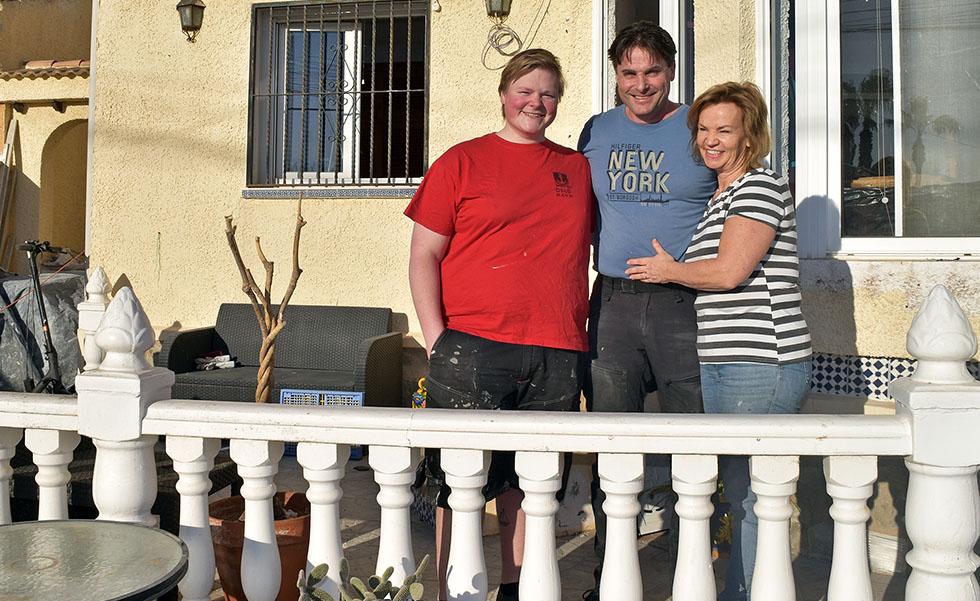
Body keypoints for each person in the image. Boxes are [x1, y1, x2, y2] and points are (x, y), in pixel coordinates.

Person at [405, 48, 593, 601]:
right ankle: (452, 592)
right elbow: (423, 256)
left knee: (530, 484)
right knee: (456, 484)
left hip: (556, 349)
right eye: (525, 91)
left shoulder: (576, 168)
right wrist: (437, 339)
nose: (536, 102)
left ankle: (515, 588)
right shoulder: (461, 162)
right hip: (472, 346)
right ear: (505, 94)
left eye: (548, 94)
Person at [624, 81, 813, 600]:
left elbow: (730, 272)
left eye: (724, 130)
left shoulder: (759, 187)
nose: (710, 140)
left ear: (750, 136)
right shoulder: (722, 195)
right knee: (742, 490)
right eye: (704, 129)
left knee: (753, 494)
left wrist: (668, 271)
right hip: (727, 360)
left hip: (762, 360)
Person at [578, 20, 715, 599]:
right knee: (614, 445)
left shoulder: (700, 127)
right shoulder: (595, 130)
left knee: (692, 444)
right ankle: (611, 580)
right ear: (616, 75)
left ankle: (692, 579)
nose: (640, 84)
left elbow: (736, 196)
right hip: (612, 302)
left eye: (652, 71)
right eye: (629, 72)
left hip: (683, 304)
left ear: (671, 71)